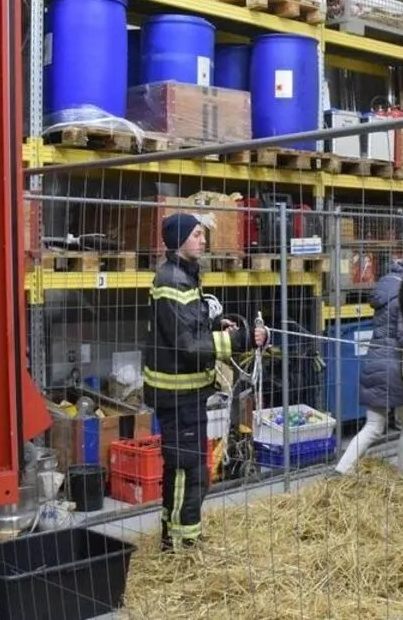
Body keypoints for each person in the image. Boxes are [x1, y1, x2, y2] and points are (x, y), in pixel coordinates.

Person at [145, 212, 269, 551]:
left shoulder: (183, 276)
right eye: (197, 234)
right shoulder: (172, 281)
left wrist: (217, 326)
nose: (203, 240)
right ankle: (185, 546)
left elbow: (188, 331)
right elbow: (187, 345)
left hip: (185, 390)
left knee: (183, 467)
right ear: (180, 239)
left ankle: (175, 537)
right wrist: (242, 339)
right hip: (178, 391)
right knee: (190, 470)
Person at [331, 259, 403, 476]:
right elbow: (402, 337)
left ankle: (341, 470)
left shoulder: (384, 292)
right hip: (395, 368)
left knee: (373, 426)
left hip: (373, 362)